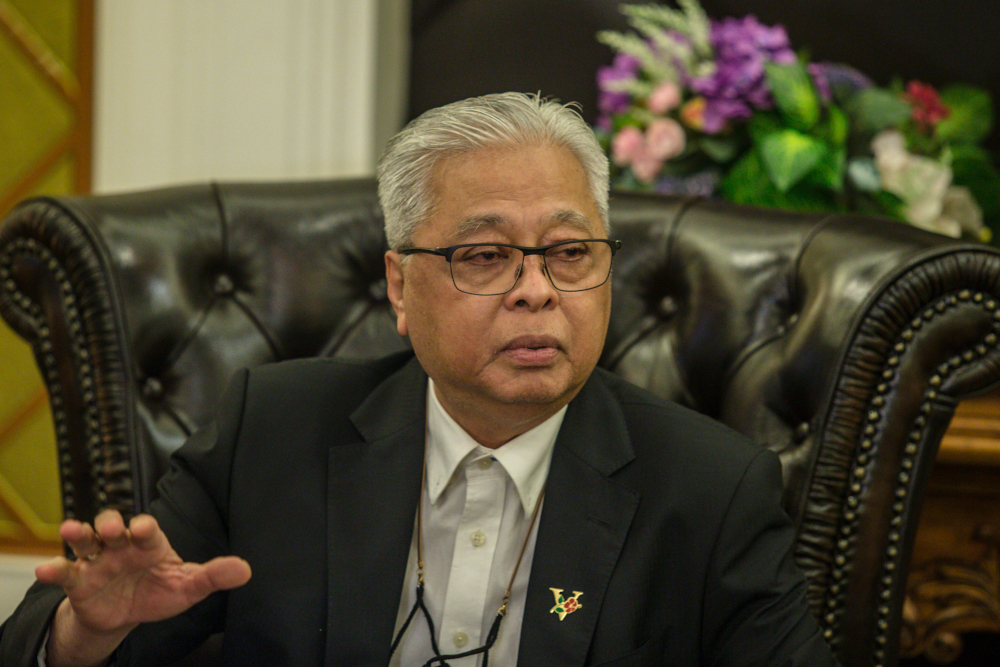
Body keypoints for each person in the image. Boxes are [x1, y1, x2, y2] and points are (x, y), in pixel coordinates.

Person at [1, 92, 839, 666]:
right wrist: (86, 629)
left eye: (571, 253)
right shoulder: (275, 433)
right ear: (401, 287)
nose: (538, 288)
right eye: (485, 255)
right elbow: (56, 639)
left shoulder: (709, 487)